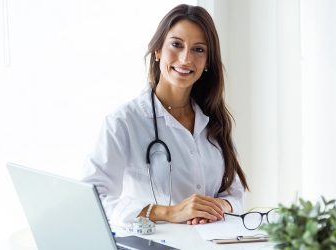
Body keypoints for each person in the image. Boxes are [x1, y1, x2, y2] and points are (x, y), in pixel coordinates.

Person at [83, 4, 249, 226]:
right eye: (176, 45)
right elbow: (93, 199)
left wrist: (216, 207)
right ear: (158, 50)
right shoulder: (123, 122)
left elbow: (235, 195)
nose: (185, 59)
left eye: (198, 49)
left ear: (208, 62)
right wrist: (168, 212)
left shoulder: (214, 121)